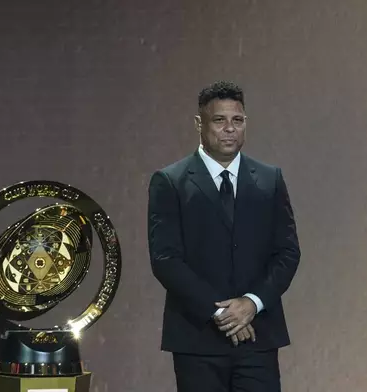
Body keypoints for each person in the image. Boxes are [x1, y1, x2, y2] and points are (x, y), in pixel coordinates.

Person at [147, 81, 300, 391]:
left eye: (237, 121)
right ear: (199, 124)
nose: (229, 129)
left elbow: (287, 253)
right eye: (219, 120)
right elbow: (166, 259)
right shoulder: (170, 181)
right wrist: (220, 312)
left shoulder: (270, 179)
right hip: (197, 338)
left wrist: (252, 304)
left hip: (258, 336)